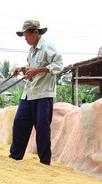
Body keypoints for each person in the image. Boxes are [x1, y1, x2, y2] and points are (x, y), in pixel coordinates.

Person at [9, 20, 63, 165]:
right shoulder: (32, 49)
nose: (25, 39)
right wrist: (22, 69)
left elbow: (58, 65)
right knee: (19, 122)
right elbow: (32, 68)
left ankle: (44, 162)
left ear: (36, 33)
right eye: (24, 36)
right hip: (29, 93)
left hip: (43, 94)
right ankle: (15, 157)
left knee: (42, 129)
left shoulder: (47, 46)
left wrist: (37, 70)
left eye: (27, 36)